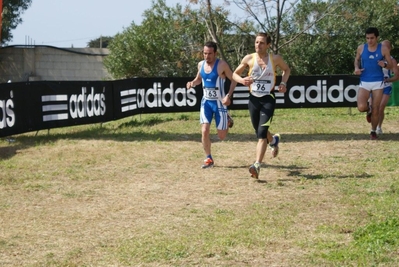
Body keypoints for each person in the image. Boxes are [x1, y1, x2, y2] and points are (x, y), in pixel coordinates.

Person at [232, 32, 290, 179]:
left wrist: (283, 83)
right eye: (257, 42)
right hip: (253, 100)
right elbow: (234, 74)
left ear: (268, 45)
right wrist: (242, 80)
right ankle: (273, 140)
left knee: (261, 133)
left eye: (262, 43)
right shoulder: (249, 58)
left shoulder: (275, 59)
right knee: (259, 131)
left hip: (268, 99)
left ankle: (257, 165)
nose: (258, 45)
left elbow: (286, 69)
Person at [186, 41, 237, 169]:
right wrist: (192, 83)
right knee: (205, 130)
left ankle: (227, 118)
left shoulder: (222, 65)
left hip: (220, 104)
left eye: (209, 54)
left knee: (222, 136)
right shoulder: (201, 65)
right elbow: (199, 79)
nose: (207, 56)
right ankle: (208, 158)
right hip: (206, 102)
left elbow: (234, 79)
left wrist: (228, 96)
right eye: (204, 53)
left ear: (215, 53)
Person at [354, 27, 393, 140]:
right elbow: (356, 59)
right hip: (365, 81)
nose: (369, 41)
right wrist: (356, 67)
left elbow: (391, 65)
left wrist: (384, 65)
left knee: (376, 108)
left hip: (378, 82)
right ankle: (368, 110)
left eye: (372, 38)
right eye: (367, 38)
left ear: (377, 38)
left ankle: (373, 131)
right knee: (361, 107)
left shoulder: (383, 48)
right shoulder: (361, 48)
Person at [375, 40, 399, 134]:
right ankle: (374, 126)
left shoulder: (392, 60)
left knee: (381, 107)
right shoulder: (376, 58)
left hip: (386, 86)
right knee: (374, 107)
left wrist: (388, 80)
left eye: (385, 47)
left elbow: (397, 76)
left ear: (389, 49)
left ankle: (378, 127)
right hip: (375, 86)